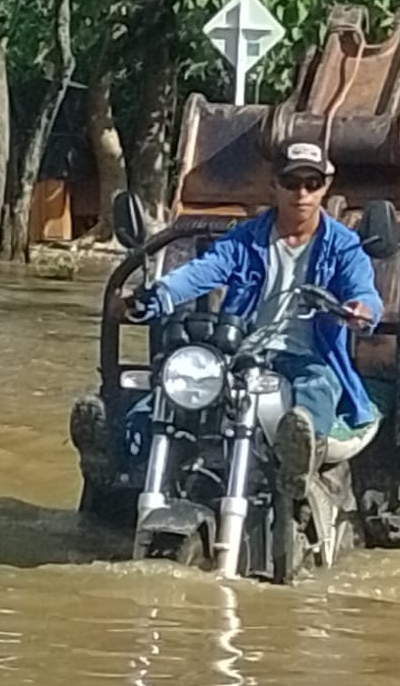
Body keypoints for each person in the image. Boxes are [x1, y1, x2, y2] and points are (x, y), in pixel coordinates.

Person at [125, 140, 383, 496]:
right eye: (292, 183)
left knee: (318, 390)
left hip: (309, 357)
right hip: (240, 354)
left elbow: (364, 292)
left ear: (326, 186)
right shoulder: (244, 239)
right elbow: (202, 271)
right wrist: (155, 295)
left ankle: (298, 467)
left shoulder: (344, 245)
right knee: (170, 389)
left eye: (313, 183)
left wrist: (361, 311)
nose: (302, 193)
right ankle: (121, 454)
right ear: (274, 185)